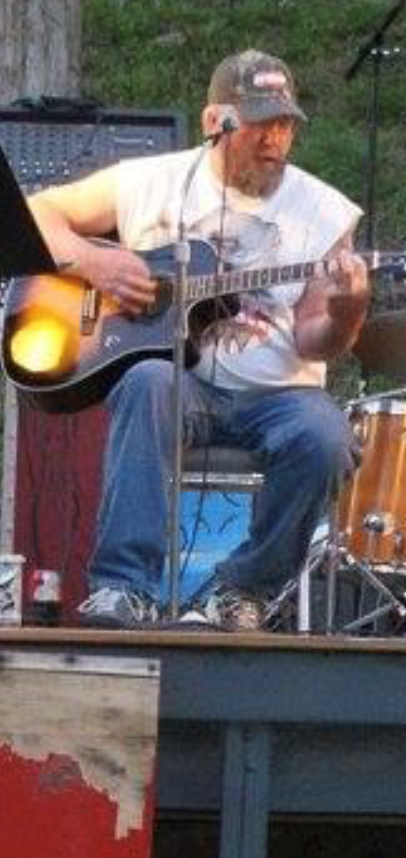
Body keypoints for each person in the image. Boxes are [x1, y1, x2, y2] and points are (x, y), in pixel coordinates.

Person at [29, 50, 370, 631]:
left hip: (277, 396)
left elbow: (317, 341)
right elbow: (38, 211)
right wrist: (94, 263)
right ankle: (122, 589)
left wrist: (348, 308)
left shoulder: (324, 211)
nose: (275, 139)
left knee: (326, 437)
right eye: (261, 123)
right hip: (178, 381)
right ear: (217, 121)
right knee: (146, 380)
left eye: (285, 125)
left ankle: (242, 591)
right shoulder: (150, 182)